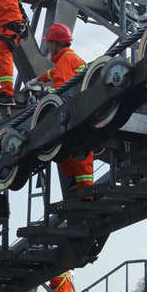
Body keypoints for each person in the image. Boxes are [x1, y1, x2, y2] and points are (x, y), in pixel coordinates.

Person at [28, 23, 94, 193]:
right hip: (77, 111)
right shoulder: (68, 59)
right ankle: (76, 185)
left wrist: (47, 94)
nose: (48, 46)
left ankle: (86, 193)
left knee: (79, 155)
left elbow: (63, 89)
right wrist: (38, 80)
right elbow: (54, 74)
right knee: (66, 151)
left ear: (57, 43)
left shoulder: (66, 60)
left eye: (49, 42)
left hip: (75, 112)